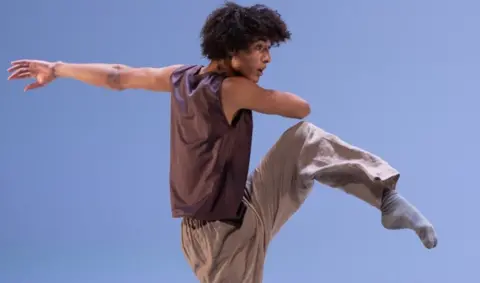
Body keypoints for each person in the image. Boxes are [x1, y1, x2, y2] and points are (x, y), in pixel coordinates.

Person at [7, 2, 437, 282]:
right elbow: (299, 106)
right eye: (260, 48)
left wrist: (59, 67)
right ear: (232, 49)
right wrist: (256, 92)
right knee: (304, 132)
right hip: (216, 239)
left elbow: (119, 76)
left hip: (244, 206)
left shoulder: (180, 78)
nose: (267, 59)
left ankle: (385, 197)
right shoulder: (233, 89)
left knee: (305, 142)